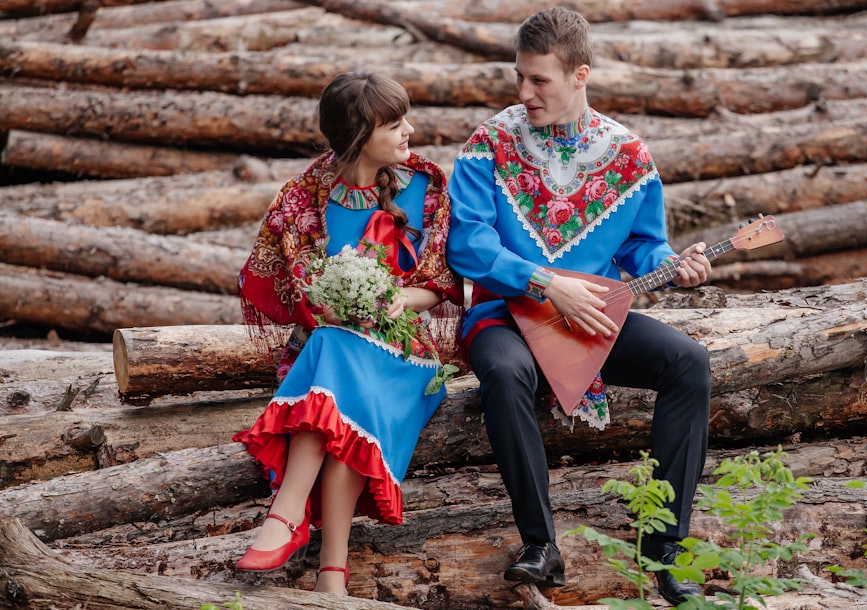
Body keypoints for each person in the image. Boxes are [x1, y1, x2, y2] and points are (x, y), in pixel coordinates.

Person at [445, 7, 711, 606]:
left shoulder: (628, 155)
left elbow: (645, 247)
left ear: (580, 75)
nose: (524, 92)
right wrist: (543, 282)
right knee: (507, 370)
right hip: (505, 317)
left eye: (539, 80)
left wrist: (677, 267)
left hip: (589, 323)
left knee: (688, 363)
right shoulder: (489, 143)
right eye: (519, 76)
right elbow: (467, 242)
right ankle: (541, 546)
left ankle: (665, 550)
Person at [233, 70, 463, 596]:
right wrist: (326, 301)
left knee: (334, 357)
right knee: (335, 358)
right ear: (360, 137)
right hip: (328, 350)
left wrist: (391, 300)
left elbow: (441, 283)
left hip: (406, 355)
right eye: (395, 124)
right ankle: (331, 575)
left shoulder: (427, 186)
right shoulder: (302, 198)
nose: (410, 131)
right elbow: (267, 282)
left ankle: (285, 516)